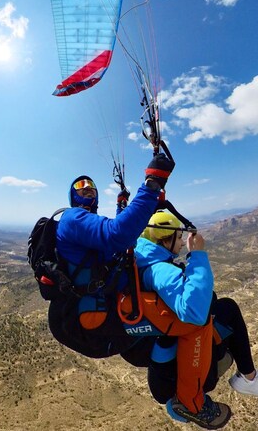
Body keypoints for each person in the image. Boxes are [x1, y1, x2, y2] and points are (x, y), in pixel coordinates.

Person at [47, 153, 174, 362]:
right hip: (85, 323)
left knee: (147, 345)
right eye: (81, 186)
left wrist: (121, 206)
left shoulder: (84, 223)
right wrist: (152, 183)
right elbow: (116, 234)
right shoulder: (72, 218)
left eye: (92, 186)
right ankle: (187, 391)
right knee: (174, 322)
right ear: (73, 195)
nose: (87, 187)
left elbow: (112, 242)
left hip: (91, 315)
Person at [134, 210, 232, 429]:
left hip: (161, 363)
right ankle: (194, 404)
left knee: (220, 310)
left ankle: (247, 376)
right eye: (178, 238)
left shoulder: (143, 258)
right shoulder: (159, 270)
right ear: (164, 239)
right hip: (170, 372)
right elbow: (195, 312)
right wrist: (197, 255)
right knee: (215, 316)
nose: (181, 243)